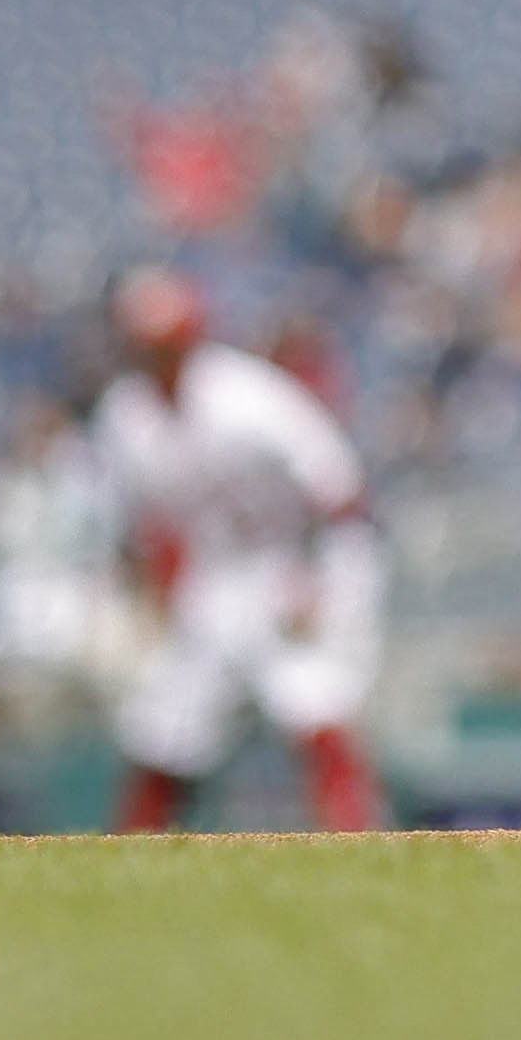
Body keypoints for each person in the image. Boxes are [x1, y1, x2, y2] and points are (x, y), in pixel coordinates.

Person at [92, 267, 389, 833]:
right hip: (218, 574)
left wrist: (314, 578)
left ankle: (357, 837)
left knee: (314, 699)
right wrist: (153, 598)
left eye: (167, 342)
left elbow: (337, 491)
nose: (158, 356)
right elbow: (137, 530)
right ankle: (130, 856)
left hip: (291, 559)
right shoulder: (125, 417)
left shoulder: (248, 395)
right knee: (168, 724)